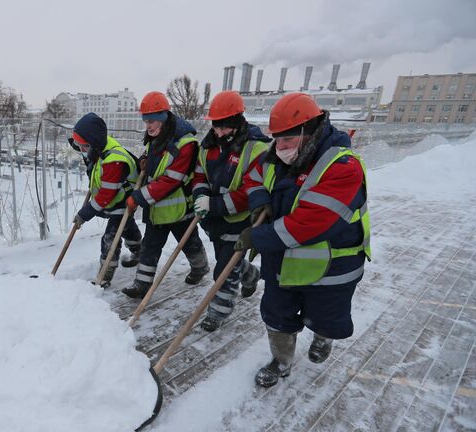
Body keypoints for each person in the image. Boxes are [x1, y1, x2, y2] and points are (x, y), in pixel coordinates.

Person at [234, 93, 371, 387]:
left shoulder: (342, 167)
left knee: (326, 317)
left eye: (287, 140)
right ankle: (281, 361)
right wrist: (260, 202)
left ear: (309, 132)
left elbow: (307, 225)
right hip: (282, 262)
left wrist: (257, 236)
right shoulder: (279, 154)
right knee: (276, 313)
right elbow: (254, 177)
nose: (279, 147)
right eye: (276, 139)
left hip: (330, 264)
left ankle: (323, 337)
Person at [191, 91, 271, 332]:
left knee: (223, 270)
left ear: (237, 121)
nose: (218, 132)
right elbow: (199, 175)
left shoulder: (257, 149)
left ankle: (219, 311)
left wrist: (212, 205)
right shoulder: (208, 146)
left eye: (224, 127)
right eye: (216, 126)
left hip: (241, 222)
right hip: (215, 221)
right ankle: (250, 274)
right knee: (228, 262)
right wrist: (201, 196)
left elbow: (250, 193)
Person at [123, 91, 209, 299]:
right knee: (150, 245)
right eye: (145, 121)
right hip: (157, 208)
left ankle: (200, 267)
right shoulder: (157, 138)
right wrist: (145, 160)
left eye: (151, 121)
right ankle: (142, 284)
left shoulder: (185, 143)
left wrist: (139, 197)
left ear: (163, 117)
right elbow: (157, 163)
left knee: (189, 242)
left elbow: (172, 179)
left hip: (179, 208)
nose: (148, 126)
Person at [71, 113, 142, 288]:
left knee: (110, 239)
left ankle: (104, 276)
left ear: (93, 143)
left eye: (83, 147)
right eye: (78, 146)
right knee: (127, 229)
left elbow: (105, 196)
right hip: (114, 199)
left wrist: (84, 214)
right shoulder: (99, 146)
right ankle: (140, 251)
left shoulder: (114, 161)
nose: (81, 151)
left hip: (123, 201)